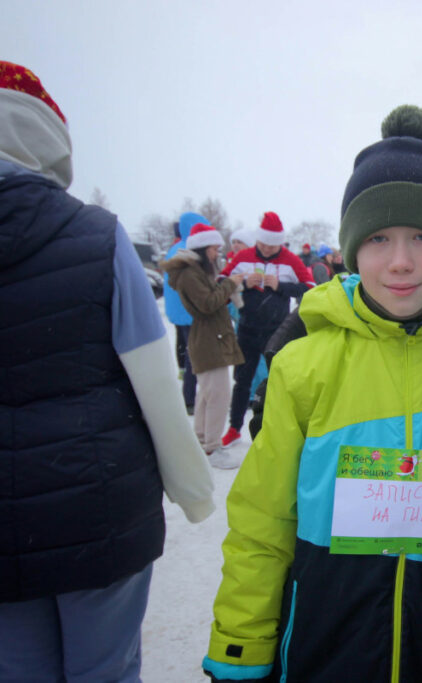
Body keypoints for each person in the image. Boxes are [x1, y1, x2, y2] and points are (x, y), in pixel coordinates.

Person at [203, 107, 422, 682]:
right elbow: (263, 523)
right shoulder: (306, 365)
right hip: (324, 644)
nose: (402, 261)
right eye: (380, 238)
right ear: (352, 249)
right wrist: (240, 649)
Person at [0, 61, 214, 681]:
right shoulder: (96, 235)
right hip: (99, 505)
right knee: (106, 669)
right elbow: (153, 379)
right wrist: (194, 493)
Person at [219, 211, 313, 446]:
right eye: (263, 244)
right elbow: (220, 282)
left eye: (273, 246)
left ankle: (277, 429)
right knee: (242, 381)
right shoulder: (243, 256)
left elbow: (311, 287)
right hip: (248, 330)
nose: (268, 250)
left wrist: (281, 286)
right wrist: (241, 283)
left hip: (276, 331)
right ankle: (234, 428)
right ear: (258, 240)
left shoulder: (291, 259)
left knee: (278, 382)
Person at [161, 223, 246, 467]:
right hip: (208, 341)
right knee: (218, 395)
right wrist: (229, 284)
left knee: (207, 395)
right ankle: (212, 448)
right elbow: (208, 304)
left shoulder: (196, 271)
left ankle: (201, 441)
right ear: (201, 248)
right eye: (214, 248)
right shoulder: (189, 274)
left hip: (210, 338)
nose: (217, 253)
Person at [163, 211, 209, 414]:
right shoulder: (193, 251)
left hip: (178, 312)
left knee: (187, 350)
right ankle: (189, 398)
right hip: (191, 311)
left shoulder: (174, 250)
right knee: (196, 356)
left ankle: (187, 394)